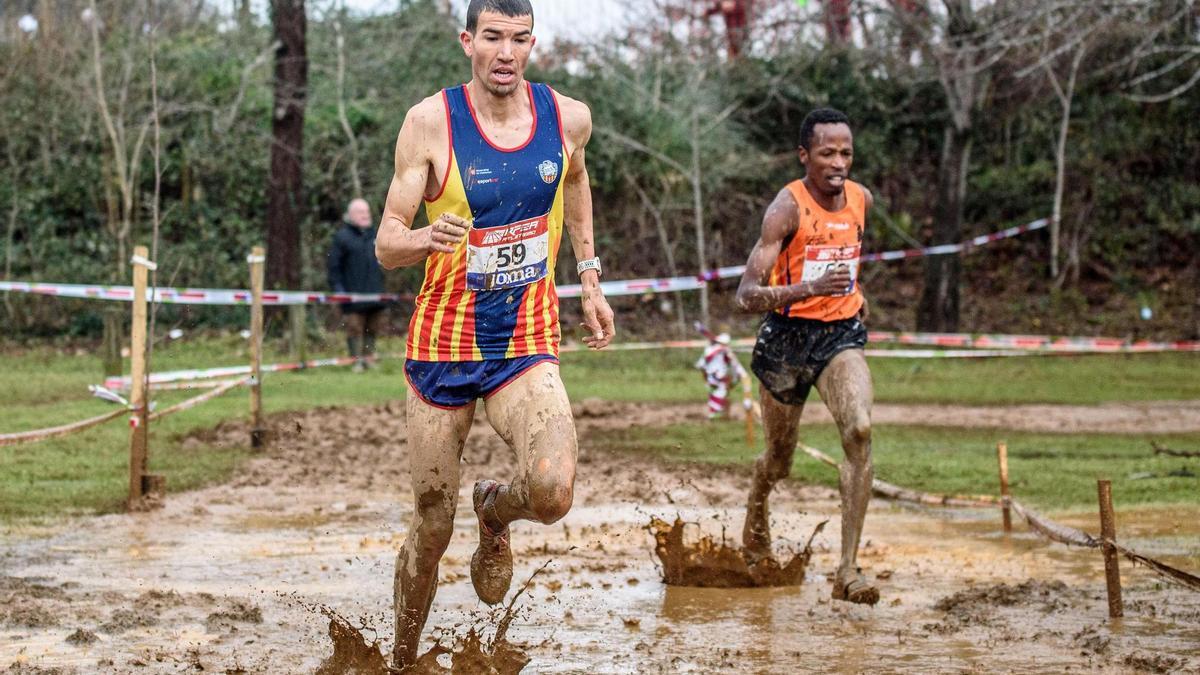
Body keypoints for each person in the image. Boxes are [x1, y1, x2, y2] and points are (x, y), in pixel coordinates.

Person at [373, 0, 615, 668]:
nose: (505, 53)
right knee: (429, 522)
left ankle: (496, 514)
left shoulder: (567, 117)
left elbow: (578, 178)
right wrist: (426, 236)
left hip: (524, 343)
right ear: (467, 41)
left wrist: (590, 278)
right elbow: (386, 244)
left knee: (553, 489)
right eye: (492, 38)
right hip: (441, 348)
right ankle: (401, 658)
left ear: (532, 43)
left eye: (519, 39)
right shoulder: (429, 122)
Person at [734, 107, 879, 605]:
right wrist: (809, 287)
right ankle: (756, 512)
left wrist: (849, 298)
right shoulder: (786, 209)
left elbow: (852, 261)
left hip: (840, 337)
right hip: (786, 341)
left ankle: (848, 570)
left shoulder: (862, 200)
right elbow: (747, 295)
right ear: (805, 156)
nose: (839, 163)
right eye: (827, 153)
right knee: (779, 461)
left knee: (859, 429)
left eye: (846, 153)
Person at [327, 198, 388, 372]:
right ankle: (356, 361)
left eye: (367, 212)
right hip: (352, 295)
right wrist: (338, 290)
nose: (365, 215)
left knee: (373, 327)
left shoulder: (376, 235)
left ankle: (369, 359)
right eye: (361, 212)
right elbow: (334, 267)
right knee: (354, 328)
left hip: (375, 293)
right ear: (351, 215)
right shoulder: (342, 237)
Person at [694, 332, 748, 420]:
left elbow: (732, 363)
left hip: (718, 377)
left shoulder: (720, 351)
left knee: (721, 393)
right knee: (719, 394)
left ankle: (722, 414)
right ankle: (716, 414)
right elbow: (702, 364)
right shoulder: (714, 350)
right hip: (715, 377)